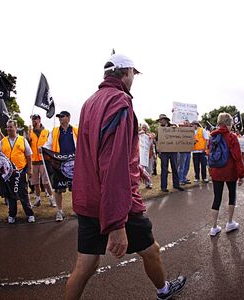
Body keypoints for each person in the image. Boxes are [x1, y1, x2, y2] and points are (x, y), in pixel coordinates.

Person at [67, 53, 186, 300]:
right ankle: (164, 291)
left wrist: (136, 167)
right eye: (134, 73)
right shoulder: (120, 101)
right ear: (126, 72)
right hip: (117, 203)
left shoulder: (90, 101)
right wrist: (116, 223)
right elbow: (112, 162)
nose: (134, 78)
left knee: (85, 264)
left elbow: (100, 153)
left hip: (89, 197)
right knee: (151, 250)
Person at [208, 113, 244, 236]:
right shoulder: (232, 137)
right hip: (230, 171)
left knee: (216, 198)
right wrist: (241, 175)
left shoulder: (212, 136)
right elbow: (238, 157)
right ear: (229, 123)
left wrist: (210, 171)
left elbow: (210, 154)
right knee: (232, 194)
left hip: (216, 170)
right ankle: (229, 223)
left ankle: (214, 227)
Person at [43, 110, 78, 221]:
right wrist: (43, 149)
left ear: (68, 117)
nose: (60, 118)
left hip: (74, 164)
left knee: (75, 189)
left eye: (62, 116)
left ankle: (76, 209)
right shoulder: (55, 131)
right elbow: (48, 144)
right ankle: (59, 211)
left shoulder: (76, 130)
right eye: (59, 117)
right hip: (59, 164)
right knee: (58, 189)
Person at [0, 120, 35, 224]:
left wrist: (30, 169)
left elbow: (28, 156)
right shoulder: (3, 141)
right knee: (10, 195)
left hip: (21, 171)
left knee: (23, 194)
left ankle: (30, 214)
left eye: (11, 127)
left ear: (16, 128)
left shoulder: (22, 140)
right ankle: (12, 215)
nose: (9, 129)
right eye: (8, 127)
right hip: (8, 174)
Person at [27, 114, 55, 208]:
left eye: (35, 119)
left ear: (39, 120)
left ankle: (52, 199)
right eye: (32, 119)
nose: (33, 121)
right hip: (34, 161)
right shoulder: (30, 132)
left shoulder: (46, 132)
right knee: (35, 182)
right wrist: (28, 134)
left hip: (44, 161)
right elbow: (27, 145)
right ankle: (38, 199)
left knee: (46, 182)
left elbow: (50, 145)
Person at [157, 114, 184, 193]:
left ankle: (176, 185)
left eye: (161, 120)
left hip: (173, 151)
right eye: (160, 120)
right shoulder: (160, 129)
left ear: (165, 120)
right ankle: (163, 187)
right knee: (164, 169)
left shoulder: (173, 126)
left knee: (175, 168)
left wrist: (175, 129)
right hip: (164, 152)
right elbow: (157, 140)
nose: (160, 121)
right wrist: (158, 148)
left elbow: (179, 135)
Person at [139, 123, 154, 189]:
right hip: (141, 156)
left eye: (145, 127)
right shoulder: (139, 135)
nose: (144, 129)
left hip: (150, 155)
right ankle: (137, 186)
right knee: (140, 170)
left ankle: (148, 184)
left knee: (149, 170)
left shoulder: (150, 135)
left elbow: (153, 136)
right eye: (143, 127)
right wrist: (139, 134)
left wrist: (151, 136)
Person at [178, 120, 192, 185]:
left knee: (187, 165)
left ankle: (184, 178)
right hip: (182, 151)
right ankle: (180, 180)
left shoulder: (190, 131)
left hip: (188, 151)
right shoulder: (180, 130)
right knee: (181, 166)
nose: (186, 124)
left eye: (187, 123)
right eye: (185, 123)